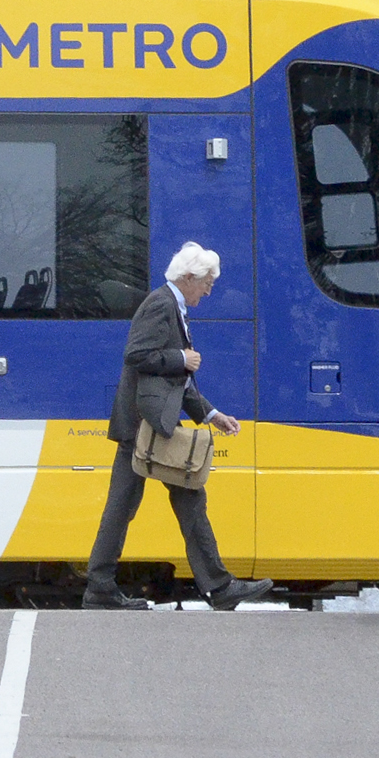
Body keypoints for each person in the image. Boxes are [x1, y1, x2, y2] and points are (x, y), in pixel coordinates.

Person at [85, 242, 275, 612]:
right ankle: (217, 588)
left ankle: (101, 586)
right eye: (206, 282)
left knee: (143, 503)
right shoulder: (161, 304)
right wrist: (180, 357)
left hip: (149, 424)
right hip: (147, 427)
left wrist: (210, 414)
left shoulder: (173, 305)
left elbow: (176, 381)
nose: (209, 289)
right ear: (187, 277)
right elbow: (136, 356)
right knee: (179, 498)